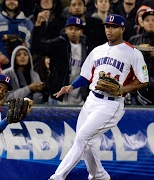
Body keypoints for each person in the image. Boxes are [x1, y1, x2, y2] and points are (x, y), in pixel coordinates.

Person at [48, 14, 149, 180]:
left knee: (81, 139)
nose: (109, 30)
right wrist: (71, 86)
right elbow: (86, 75)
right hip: (91, 100)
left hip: (111, 104)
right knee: (88, 142)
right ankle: (99, 175)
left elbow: (143, 81)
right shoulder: (97, 50)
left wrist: (124, 88)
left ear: (122, 29)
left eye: (113, 27)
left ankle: (57, 176)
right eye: (106, 26)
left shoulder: (133, 53)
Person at [31, 16, 93, 105]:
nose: (73, 32)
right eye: (70, 28)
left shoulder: (88, 47)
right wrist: (38, 27)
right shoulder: (58, 44)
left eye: (77, 29)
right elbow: (37, 47)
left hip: (80, 97)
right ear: (66, 30)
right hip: (58, 97)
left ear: (81, 31)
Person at [0, 0, 34, 70]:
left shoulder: (27, 23)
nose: (11, 1)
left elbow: (31, 43)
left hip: (21, 69)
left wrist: (22, 55)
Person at [129, 8, 154, 105]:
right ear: (142, 23)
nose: (150, 23)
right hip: (137, 88)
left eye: (153, 20)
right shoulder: (134, 40)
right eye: (147, 20)